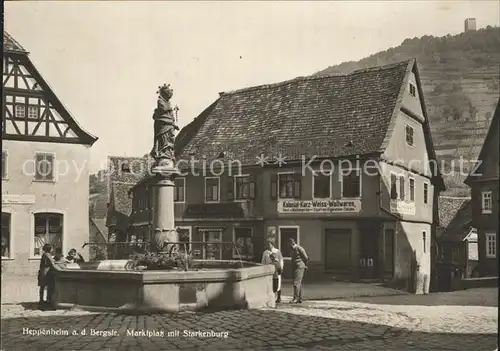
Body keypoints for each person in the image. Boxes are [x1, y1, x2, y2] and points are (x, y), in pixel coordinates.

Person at [37, 244, 62, 309]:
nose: (52, 249)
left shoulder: (44, 254)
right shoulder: (47, 254)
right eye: (51, 248)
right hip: (46, 271)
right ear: (49, 249)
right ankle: (46, 300)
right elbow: (53, 262)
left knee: (42, 286)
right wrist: (62, 261)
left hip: (43, 270)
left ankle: (41, 300)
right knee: (47, 285)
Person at [289, 238, 308, 304]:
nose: (290, 246)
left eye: (290, 244)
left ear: (293, 243)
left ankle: (295, 298)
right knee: (298, 283)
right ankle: (300, 298)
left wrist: (303, 264)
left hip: (299, 267)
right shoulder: (292, 250)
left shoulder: (299, 248)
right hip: (295, 267)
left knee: (296, 283)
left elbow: (306, 257)